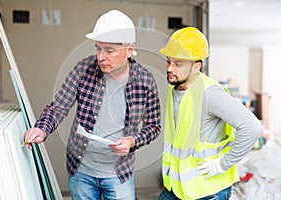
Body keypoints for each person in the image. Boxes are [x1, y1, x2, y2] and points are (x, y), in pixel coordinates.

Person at [23, 10, 161, 200]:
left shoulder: (145, 80)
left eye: (109, 51)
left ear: (129, 50)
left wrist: (133, 141)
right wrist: (42, 128)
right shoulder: (83, 69)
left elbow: (153, 126)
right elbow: (59, 107)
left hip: (119, 174)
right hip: (81, 170)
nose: (100, 57)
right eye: (98, 48)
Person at [158, 27, 262, 200]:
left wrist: (222, 164)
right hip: (176, 188)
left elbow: (252, 128)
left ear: (196, 66)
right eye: (168, 61)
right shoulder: (174, 87)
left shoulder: (209, 93)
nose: (170, 68)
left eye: (178, 64)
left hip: (206, 190)